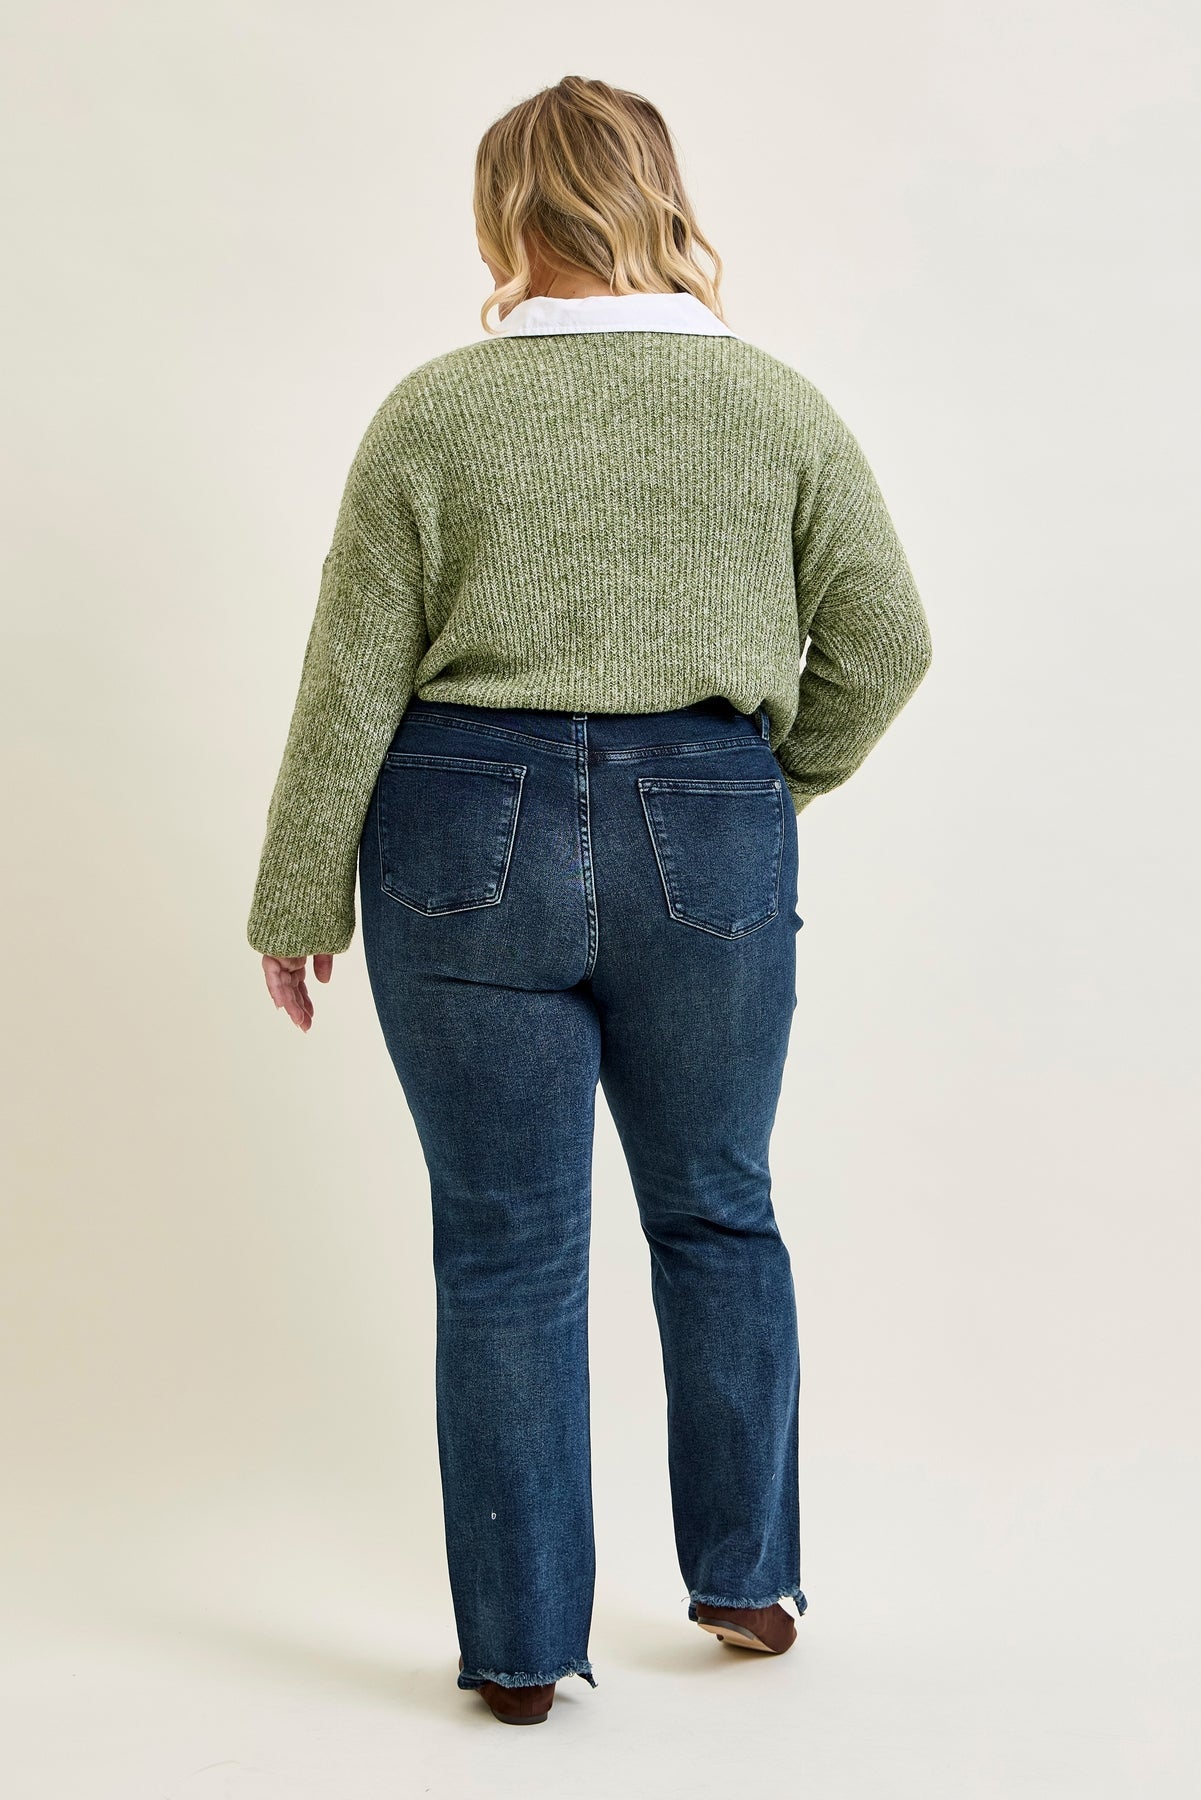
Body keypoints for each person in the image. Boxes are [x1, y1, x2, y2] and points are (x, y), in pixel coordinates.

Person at [246, 73, 933, 1727]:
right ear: (656, 194)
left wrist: (295, 894)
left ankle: (517, 1655)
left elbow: (352, 676)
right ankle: (747, 1578)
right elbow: (887, 643)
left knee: (504, 1249)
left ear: (506, 212)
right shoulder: (773, 407)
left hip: (455, 830)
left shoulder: (431, 414)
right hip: (704, 820)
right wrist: (759, 792)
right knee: (715, 1207)